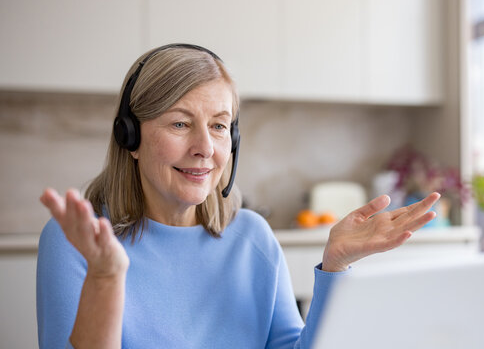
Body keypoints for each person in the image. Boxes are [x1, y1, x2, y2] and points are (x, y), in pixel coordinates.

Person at [37, 43, 440, 349]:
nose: (204, 148)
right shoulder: (77, 242)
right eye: (180, 123)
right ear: (131, 136)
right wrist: (106, 278)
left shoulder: (253, 237)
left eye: (218, 126)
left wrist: (334, 268)